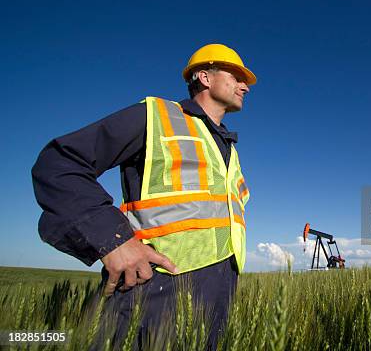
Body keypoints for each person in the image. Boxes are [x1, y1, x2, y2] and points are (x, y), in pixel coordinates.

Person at [31, 43, 255, 349]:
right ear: (204, 77)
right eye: (236, 75)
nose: (245, 85)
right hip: (156, 291)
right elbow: (60, 164)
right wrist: (114, 240)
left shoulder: (229, 149)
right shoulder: (158, 117)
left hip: (219, 293)